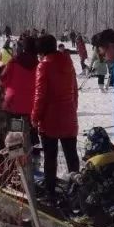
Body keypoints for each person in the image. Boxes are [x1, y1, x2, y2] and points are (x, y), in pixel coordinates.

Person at [32, 34, 80, 200]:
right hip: (68, 116)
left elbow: (40, 96)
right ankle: (77, 191)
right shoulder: (68, 62)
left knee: (50, 158)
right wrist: (73, 108)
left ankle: (50, 191)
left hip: (50, 118)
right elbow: (74, 90)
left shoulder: (43, 66)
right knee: (72, 157)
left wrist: (35, 117)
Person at [0, 36, 38, 143]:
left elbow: (3, 79)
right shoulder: (39, 64)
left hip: (14, 105)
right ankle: (34, 155)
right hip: (32, 105)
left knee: (15, 135)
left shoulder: (14, 62)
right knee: (31, 133)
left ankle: (16, 157)